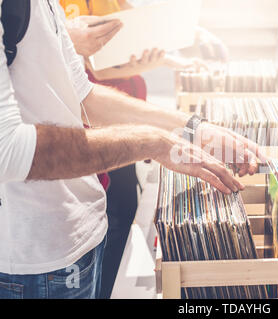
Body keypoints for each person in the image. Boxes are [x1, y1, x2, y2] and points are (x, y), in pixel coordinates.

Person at [0, 0, 260, 299]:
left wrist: (195, 129)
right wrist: (153, 141)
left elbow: (84, 95)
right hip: (32, 261)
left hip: (79, 232)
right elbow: (8, 149)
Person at [59, 0, 216, 298]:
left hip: (120, 113)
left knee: (124, 206)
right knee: (116, 210)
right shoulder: (70, 7)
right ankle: (107, 286)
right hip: (102, 121)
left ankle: (110, 282)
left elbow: (132, 47)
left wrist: (164, 56)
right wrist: (162, 61)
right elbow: (99, 70)